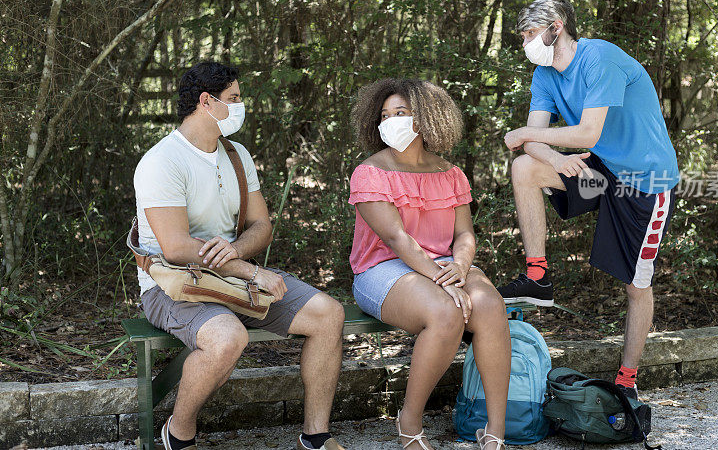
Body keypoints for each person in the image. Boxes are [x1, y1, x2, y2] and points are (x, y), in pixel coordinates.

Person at [133, 61, 347, 450]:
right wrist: (249, 270)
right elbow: (176, 248)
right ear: (205, 101)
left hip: (233, 275)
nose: (240, 105)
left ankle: (316, 436)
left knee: (328, 315)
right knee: (227, 337)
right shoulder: (161, 161)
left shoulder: (237, 155)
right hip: (171, 284)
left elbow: (261, 226)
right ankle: (178, 435)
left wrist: (236, 251)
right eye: (233, 98)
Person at [496, 0, 680, 400]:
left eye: (530, 34)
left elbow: (586, 133)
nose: (526, 43)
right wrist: (554, 158)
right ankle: (537, 274)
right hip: (598, 174)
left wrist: (531, 138)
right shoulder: (543, 75)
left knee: (636, 284)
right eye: (523, 36)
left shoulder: (600, 58)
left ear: (556, 27)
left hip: (643, 181)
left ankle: (627, 381)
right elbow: (533, 145)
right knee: (525, 169)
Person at [348, 79, 511, 450]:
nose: (391, 121)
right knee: (446, 311)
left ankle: (496, 432)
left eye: (401, 114)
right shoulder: (371, 172)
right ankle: (409, 421)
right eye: (385, 116)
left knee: (488, 304)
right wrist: (444, 281)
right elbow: (396, 239)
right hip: (382, 269)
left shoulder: (449, 173)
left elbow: (465, 235)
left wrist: (460, 267)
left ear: (425, 118)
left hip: (441, 265)